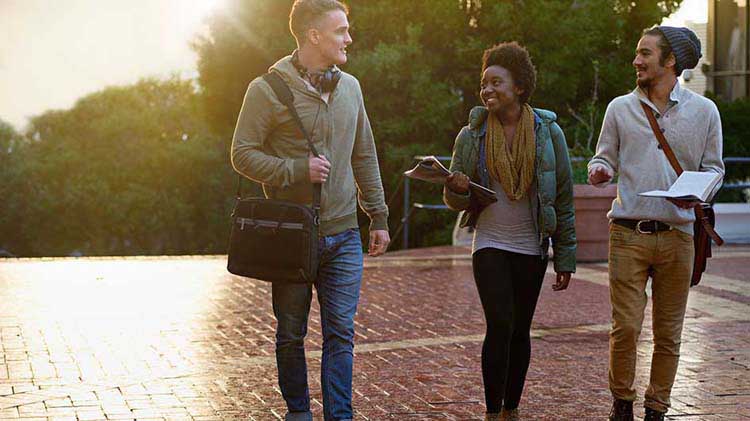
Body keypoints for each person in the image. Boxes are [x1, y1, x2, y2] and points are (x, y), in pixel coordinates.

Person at [230, 1, 390, 420]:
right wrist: (294, 169)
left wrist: (379, 216)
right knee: (290, 334)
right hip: (292, 238)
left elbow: (364, 155)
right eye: (340, 31)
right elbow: (241, 154)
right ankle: (298, 412)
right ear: (313, 35)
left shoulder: (351, 88)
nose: (349, 39)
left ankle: (340, 416)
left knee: (341, 335)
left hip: (344, 236)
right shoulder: (267, 89)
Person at [588, 26, 724, 421]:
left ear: (670, 62)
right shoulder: (619, 108)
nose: (636, 61)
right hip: (628, 233)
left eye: (645, 54)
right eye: (637, 53)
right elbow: (604, 158)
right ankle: (622, 402)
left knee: (668, 334)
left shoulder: (705, 111)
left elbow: (714, 169)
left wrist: (700, 192)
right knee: (626, 327)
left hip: (679, 236)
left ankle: (657, 408)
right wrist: (598, 170)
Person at [443, 42, 576, 421]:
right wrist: (455, 187)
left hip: (531, 245)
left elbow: (563, 198)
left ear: (519, 87)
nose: (487, 91)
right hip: (489, 241)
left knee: (520, 329)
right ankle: (491, 410)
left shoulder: (549, 134)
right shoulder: (471, 136)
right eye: (484, 84)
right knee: (500, 322)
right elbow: (456, 203)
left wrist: (565, 256)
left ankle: (511, 408)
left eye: (496, 83)